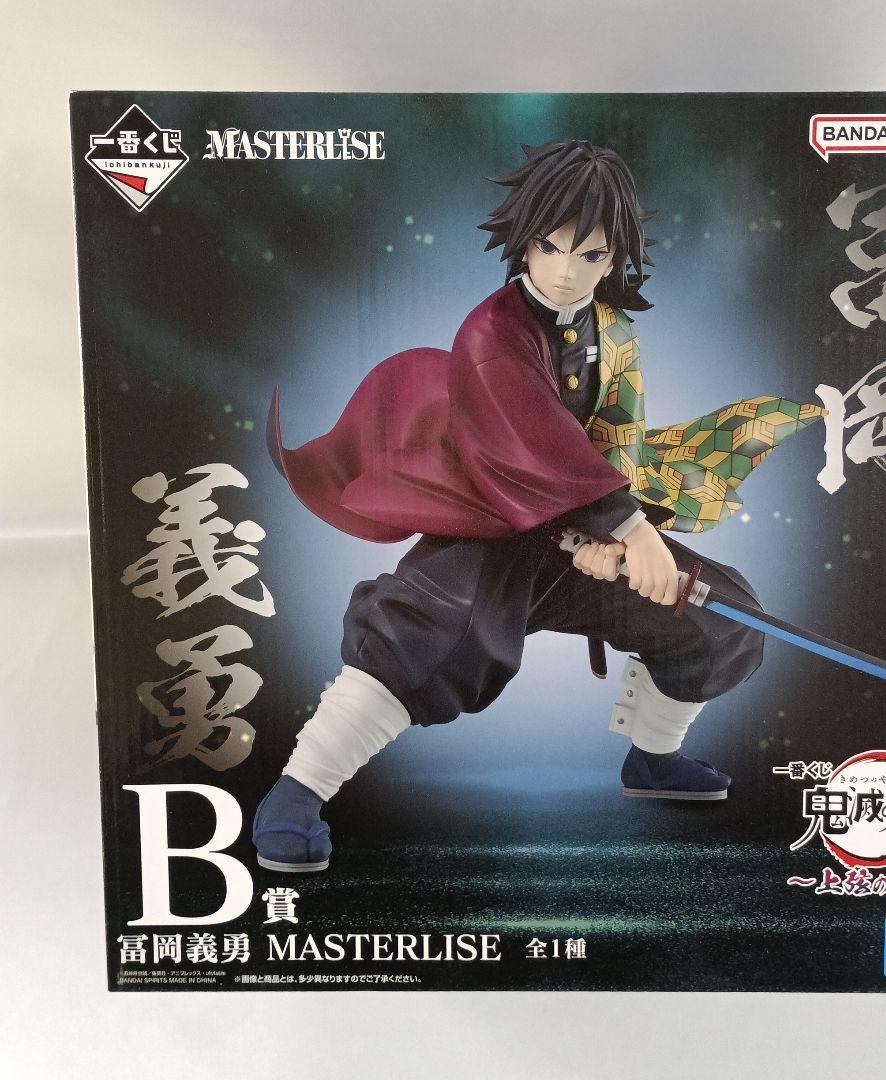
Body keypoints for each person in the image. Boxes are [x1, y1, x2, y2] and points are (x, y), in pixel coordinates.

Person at [253, 139, 822, 872]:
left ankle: (653, 758)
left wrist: (614, 541)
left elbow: (617, 435)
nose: (564, 271)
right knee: (420, 638)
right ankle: (296, 793)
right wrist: (623, 530)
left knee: (720, 616)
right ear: (523, 241)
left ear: (614, 257)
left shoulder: (613, 332)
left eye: (589, 255)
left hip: (585, 530)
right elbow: (529, 441)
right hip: (487, 527)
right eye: (548, 247)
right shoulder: (491, 334)